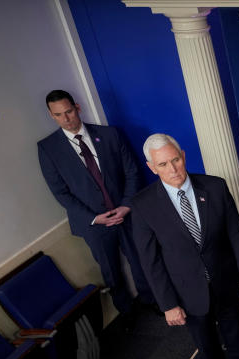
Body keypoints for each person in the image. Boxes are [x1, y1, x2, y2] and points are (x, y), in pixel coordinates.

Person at [130, 134, 239, 359]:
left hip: (225, 279)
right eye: (163, 164)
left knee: (235, 331)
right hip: (186, 290)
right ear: (151, 167)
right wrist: (168, 304)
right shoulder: (143, 205)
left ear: (183, 155)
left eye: (175, 160)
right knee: (205, 341)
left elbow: (236, 234)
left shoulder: (215, 187)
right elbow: (150, 261)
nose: (172, 169)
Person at [37, 89, 153, 319]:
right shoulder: (47, 148)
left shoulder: (109, 134)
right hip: (94, 223)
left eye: (69, 111)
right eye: (59, 114)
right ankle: (126, 313)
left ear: (77, 107)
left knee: (142, 261)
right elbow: (60, 193)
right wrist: (94, 217)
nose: (66, 118)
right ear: (51, 115)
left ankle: (153, 301)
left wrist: (126, 205)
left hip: (127, 213)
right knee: (110, 272)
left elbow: (132, 171)